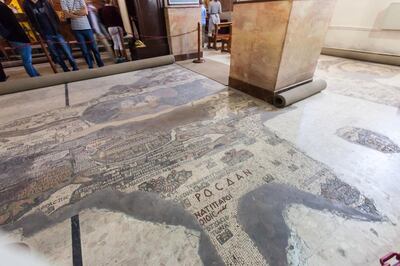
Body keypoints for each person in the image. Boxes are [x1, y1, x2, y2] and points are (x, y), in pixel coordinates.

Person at [23, 0, 79, 72]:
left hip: (56, 32)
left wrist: (58, 27)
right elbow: (31, 20)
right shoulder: (27, 5)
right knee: (55, 54)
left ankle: (75, 66)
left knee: (66, 50)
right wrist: (38, 31)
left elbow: (54, 14)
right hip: (46, 34)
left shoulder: (45, 2)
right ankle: (65, 68)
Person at [0, 0, 40, 77]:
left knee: (28, 57)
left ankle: (35, 74)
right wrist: (7, 35)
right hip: (15, 36)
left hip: (18, 34)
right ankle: (34, 76)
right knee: (26, 58)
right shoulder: (1, 6)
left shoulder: (2, 5)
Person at [60, 0, 104, 68]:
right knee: (84, 50)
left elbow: (85, 12)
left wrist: (72, 12)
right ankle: (90, 66)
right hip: (76, 29)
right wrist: (78, 13)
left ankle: (100, 64)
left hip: (87, 27)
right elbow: (66, 15)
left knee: (94, 48)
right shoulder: (63, 1)